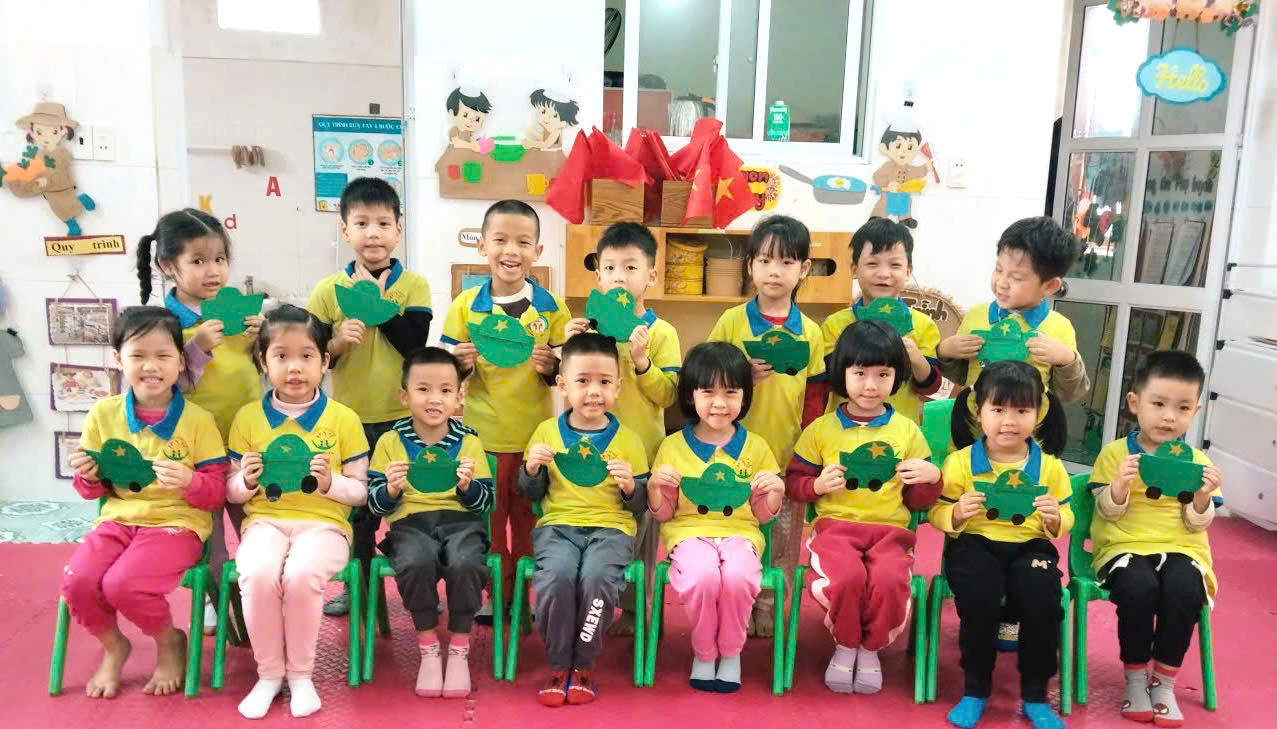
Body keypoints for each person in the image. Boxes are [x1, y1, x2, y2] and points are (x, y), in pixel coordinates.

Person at [63, 306, 227, 698]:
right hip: (117, 520)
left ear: (181, 361)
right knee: (78, 581)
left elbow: (216, 492)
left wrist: (190, 481)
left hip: (177, 525)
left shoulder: (199, 420)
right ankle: (113, 645)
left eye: (163, 355)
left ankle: (169, 640)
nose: (150, 366)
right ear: (117, 359)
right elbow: (91, 490)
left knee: (123, 584)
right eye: (137, 355)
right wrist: (89, 476)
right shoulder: (103, 413)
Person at [225, 305, 370, 719]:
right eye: (281, 356)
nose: (294, 368)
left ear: (324, 361)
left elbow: (360, 492)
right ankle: (269, 675)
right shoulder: (248, 418)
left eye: (306, 356)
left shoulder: (344, 419)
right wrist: (245, 480)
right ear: (262, 362)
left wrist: (329, 484)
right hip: (265, 523)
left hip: (325, 526)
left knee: (301, 574)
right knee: (258, 574)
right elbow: (231, 491)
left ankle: (302, 676)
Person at [785, 321, 942, 694]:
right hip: (835, 530)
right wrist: (816, 485)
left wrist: (932, 477)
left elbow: (918, 501)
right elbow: (794, 483)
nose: (870, 385)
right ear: (842, 373)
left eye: (883, 374)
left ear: (897, 376)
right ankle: (845, 645)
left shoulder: (908, 431)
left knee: (888, 581)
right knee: (847, 579)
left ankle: (870, 650)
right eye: (859, 373)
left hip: (891, 532)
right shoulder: (821, 430)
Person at [441, 200, 571, 626]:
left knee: (532, 521)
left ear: (538, 250)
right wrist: (459, 364)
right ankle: (496, 594)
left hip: (536, 440)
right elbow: (446, 374)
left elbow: (566, 375)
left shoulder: (552, 308)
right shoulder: (466, 306)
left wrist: (552, 366)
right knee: (487, 523)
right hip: (483, 440)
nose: (511, 251)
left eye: (523, 242)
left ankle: (525, 597)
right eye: (500, 240)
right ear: (482, 246)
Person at [308, 177, 432, 617]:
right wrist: (337, 342)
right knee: (355, 513)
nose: (372, 233)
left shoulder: (413, 286)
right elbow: (315, 358)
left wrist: (379, 306)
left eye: (382, 223)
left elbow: (415, 345)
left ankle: (416, 585)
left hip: (405, 418)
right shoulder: (328, 291)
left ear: (398, 229)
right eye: (361, 223)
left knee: (409, 504)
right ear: (345, 230)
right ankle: (357, 588)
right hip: (350, 420)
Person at [928, 360, 1073, 729]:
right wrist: (956, 512)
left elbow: (1067, 515)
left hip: (1031, 547)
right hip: (975, 544)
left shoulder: (1051, 468)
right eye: (998, 410)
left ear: (1039, 413)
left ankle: (1036, 695)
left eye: (1022, 411)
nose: (1009, 421)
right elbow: (936, 512)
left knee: (1043, 600)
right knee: (980, 598)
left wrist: (1056, 517)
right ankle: (975, 690)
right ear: (978, 410)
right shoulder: (960, 463)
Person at [137, 208, 263, 631]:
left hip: (247, 440)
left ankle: (259, 597)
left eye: (220, 259)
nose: (213, 271)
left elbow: (260, 370)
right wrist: (197, 345)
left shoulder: (236, 312)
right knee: (209, 536)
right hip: (196, 450)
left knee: (258, 525)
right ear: (167, 265)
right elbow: (162, 385)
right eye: (198, 261)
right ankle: (214, 599)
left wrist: (263, 339)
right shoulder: (164, 326)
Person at [1089, 351, 1221, 727]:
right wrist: (1119, 485)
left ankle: (1163, 682)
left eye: (1182, 408)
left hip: (1182, 548)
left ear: (1195, 412)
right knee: (1138, 587)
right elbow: (1106, 512)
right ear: (1135, 403)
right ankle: (1135, 679)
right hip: (1124, 547)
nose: (1169, 417)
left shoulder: (1197, 462)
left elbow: (1197, 524)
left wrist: (1202, 498)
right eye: (1159, 404)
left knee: (1184, 588)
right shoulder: (1115, 454)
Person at [708, 214, 826, 635]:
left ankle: (769, 609)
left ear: (804, 269)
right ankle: (732, 604)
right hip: (731, 452)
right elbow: (708, 381)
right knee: (734, 533)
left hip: (786, 455)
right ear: (750, 265)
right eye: (764, 261)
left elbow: (815, 398)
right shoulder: (732, 321)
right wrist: (740, 377)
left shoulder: (810, 332)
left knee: (782, 540)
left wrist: (807, 453)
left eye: (786, 262)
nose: (774, 271)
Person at [519, 333, 649, 706]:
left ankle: (583, 664)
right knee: (557, 578)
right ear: (562, 385)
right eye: (583, 381)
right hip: (557, 529)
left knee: (596, 580)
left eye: (605, 382)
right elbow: (530, 492)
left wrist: (630, 487)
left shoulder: (629, 440)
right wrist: (531, 469)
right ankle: (559, 663)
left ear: (618, 387)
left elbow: (640, 504)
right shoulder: (546, 432)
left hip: (611, 531)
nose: (594, 391)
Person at [565, 222, 681, 636]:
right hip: (593, 451)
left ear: (651, 275)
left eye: (631, 267)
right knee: (601, 533)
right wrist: (567, 346)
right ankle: (592, 607)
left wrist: (642, 360)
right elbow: (571, 385)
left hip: (644, 453)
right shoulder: (591, 329)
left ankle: (638, 614)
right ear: (598, 276)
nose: (619, 277)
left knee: (643, 540)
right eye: (610, 267)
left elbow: (668, 394)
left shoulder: (662, 332)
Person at [647, 342, 783, 692]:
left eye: (731, 392)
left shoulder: (757, 447)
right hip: (688, 534)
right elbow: (663, 513)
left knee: (738, 577)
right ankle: (705, 653)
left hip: (741, 534)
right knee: (702, 577)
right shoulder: (672, 446)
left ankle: (731, 652)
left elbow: (762, 516)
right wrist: (655, 487)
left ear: (745, 396)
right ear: (691, 395)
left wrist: (775, 492)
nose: (720, 403)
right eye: (708, 392)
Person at [367, 347, 495, 699]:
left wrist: (468, 488)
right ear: (404, 396)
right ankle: (427, 645)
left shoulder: (469, 442)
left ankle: (459, 646)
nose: (434, 399)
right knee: (415, 561)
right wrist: (391, 489)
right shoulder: (390, 442)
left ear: (459, 397)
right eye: (423, 389)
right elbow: (374, 504)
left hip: (462, 523)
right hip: (410, 523)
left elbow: (486, 502)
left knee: (466, 561)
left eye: (445, 390)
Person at [938, 216, 1090, 408]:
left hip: (1030, 426)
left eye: (1016, 278)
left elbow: (1070, 393)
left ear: (1049, 286)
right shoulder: (976, 315)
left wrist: (1066, 360)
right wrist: (946, 352)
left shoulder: (1059, 327)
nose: (1002, 283)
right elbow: (961, 375)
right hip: (974, 423)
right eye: (998, 270)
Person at [818, 218, 944, 423]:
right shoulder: (835, 324)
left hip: (900, 431)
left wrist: (915, 358)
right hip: (842, 430)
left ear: (908, 272)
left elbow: (931, 388)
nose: (884, 274)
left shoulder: (922, 325)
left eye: (895, 265)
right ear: (854, 269)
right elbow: (829, 382)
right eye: (872, 264)